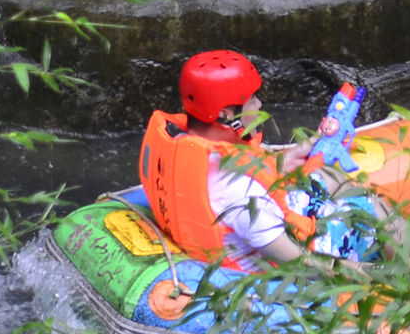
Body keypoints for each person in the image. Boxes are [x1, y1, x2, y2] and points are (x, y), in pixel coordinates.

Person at [136, 50, 344, 267]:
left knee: (328, 176)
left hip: (227, 233)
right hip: (268, 267)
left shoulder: (182, 144)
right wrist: (362, 272)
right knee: (362, 200)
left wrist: (283, 162)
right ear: (227, 114)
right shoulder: (241, 192)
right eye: (252, 98)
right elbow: (300, 263)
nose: (259, 105)